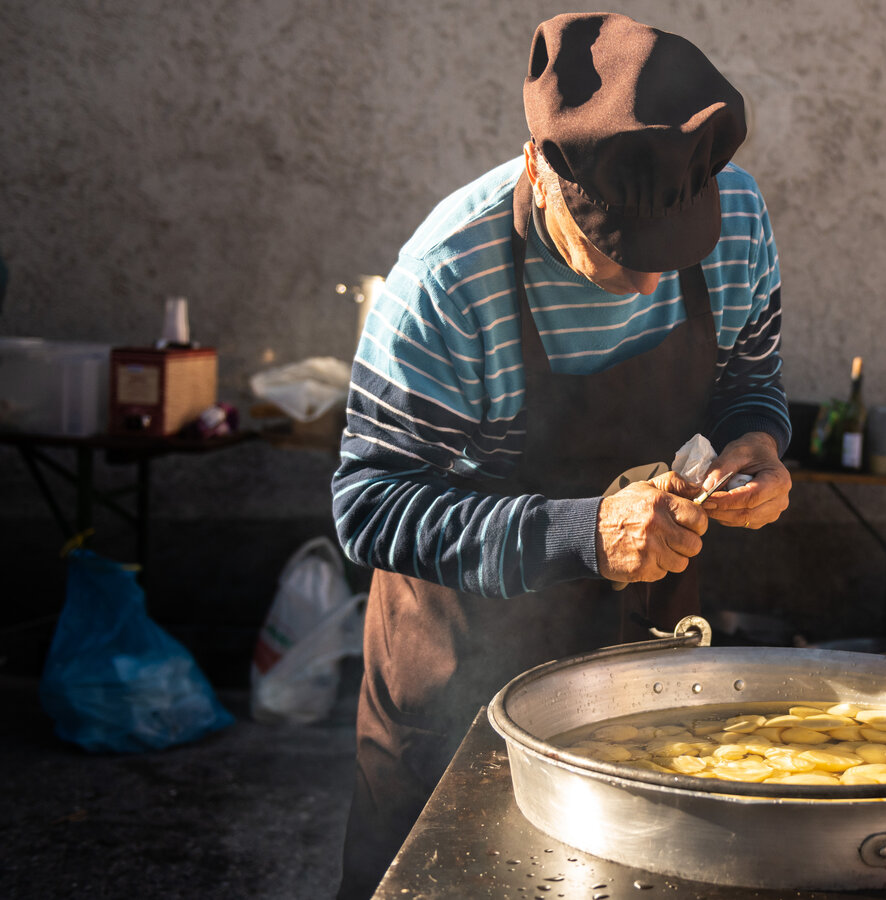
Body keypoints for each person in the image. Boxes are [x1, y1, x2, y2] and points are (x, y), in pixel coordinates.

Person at [331, 12, 791, 897]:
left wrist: (757, 442)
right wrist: (584, 534)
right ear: (541, 168)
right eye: (616, 252)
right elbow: (370, 505)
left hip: (637, 655)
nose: (652, 282)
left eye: (674, 251)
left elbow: (748, 376)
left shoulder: (736, 214)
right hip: (460, 664)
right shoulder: (447, 276)